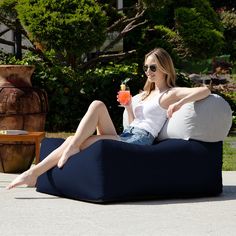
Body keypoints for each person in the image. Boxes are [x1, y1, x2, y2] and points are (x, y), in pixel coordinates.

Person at [6, 48, 211, 190]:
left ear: (165, 68)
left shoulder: (169, 94)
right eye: (146, 67)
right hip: (127, 134)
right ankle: (43, 167)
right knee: (97, 104)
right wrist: (129, 107)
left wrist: (177, 104)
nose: (148, 72)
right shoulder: (143, 95)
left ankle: (35, 172)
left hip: (139, 141)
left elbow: (204, 90)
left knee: (72, 140)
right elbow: (130, 125)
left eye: (153, 68)